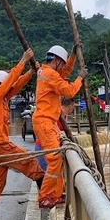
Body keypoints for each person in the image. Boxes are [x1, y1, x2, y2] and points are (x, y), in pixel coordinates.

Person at [0, 49, 45, 220]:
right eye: (5, 86)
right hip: (0, 147)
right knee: (32, 163)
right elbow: (11, 81)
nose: (8, 89)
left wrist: (30, 72)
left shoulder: (2, 99)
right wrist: (23, 60)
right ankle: (45, 198)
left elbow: (15, 85)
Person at [34, 45, 86, 209]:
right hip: (45, 122)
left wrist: (72, 56)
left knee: (57, 159)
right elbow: (69, 91)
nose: (63, 67)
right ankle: (45, 196)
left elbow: (64, 71)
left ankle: (55, 195)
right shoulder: (50, 75)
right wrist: (80, 78)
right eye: (62, 63)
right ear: (56, 61)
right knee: (54, 159)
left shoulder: (46, 72)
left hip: (45, 121)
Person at [34, 97, 76, 172]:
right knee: (47, 173)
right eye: (73, 106)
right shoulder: (57, 112)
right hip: (44, 147)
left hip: (51, 147)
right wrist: (59, 131)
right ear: (70, 106)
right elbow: (52, 123)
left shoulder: (63, 115)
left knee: (53, 172)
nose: (73, 108)